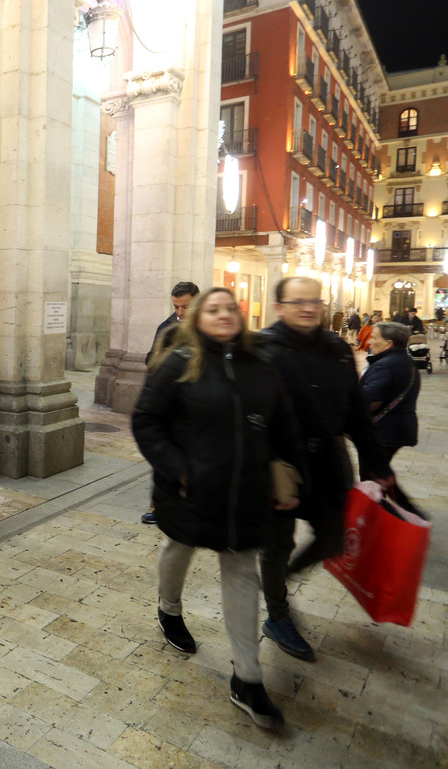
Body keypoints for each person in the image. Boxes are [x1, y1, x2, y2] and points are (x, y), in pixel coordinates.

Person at [132, 288, 301, 729]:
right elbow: (146, 421)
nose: (224, 313)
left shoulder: (259, 365)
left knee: (242, 571)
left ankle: (248, 677)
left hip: (245, 492)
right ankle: (169, 609)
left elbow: (282, 423)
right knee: (178, 550)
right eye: (214, 308)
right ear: (198, 318)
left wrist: (286, 472)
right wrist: (178, 470)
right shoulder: (180, 362)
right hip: (191, 492)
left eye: (230, 308)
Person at [257, 277, 393, 662]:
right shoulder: (262, 349)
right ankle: (277, 616)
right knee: (276, 545)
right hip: (281, 467)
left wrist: (377, 464)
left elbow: (356, 411)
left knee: (333, 538)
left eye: (314, 301)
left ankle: (278, 584)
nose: (307, 307)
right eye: (296, 301)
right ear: (279, 306)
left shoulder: (336, 348)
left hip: (328, 463)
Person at [140, 282, 200, 526]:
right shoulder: (167, 327)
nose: (181, 312)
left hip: (200, 403)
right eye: (177, 306)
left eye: (186, 306)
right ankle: (158, 506)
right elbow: (150, 359)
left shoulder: (207, 325)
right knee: (165, 457)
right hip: (174, 403)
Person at [361, 321, 420, 462]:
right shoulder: (406, 362)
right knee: (381, 474)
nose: (369, 341)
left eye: (374, 338)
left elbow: (371, 399)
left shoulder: (384, 365)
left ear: (388, 344)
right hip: (398, 427)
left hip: (383, 430)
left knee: (373, 477)